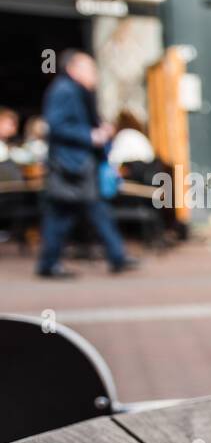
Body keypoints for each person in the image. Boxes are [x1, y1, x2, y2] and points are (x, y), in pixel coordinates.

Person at [35, 51, 138, 278]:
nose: (95, 74)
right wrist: (92, 136)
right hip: (70, 166)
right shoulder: (65, 90)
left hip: (77, 165)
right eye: (90, 69)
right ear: (73, 69)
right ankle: (50, 263)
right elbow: (56, 126)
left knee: (88, 211)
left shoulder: (76, 91)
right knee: (66, 214)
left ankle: (116, 256)